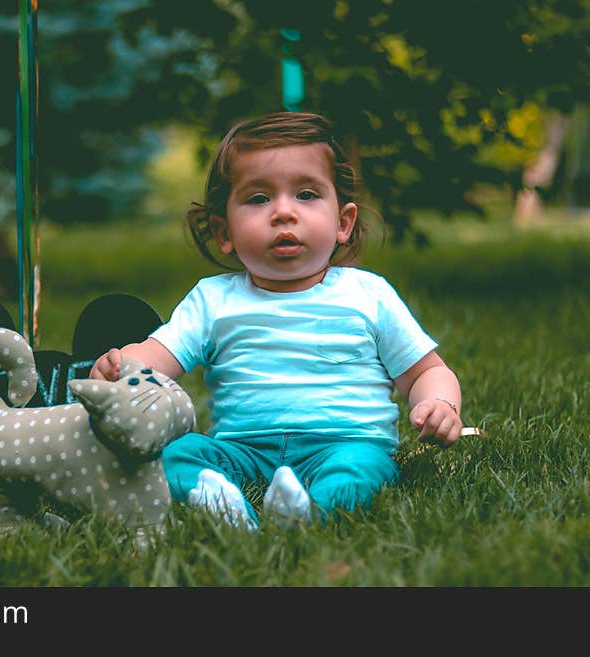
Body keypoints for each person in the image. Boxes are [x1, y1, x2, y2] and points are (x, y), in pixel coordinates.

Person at [90, 112, 463, 528]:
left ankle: (309, 513)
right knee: (178, 454)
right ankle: (221, 502)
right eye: (258, 199)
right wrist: (124, 367)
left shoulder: (367, 294)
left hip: (345, 443)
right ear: (223, 231)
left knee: (359, 470)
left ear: (343, 222)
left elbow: (426, 372)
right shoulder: (213, 299)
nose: (283, 212)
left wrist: (439, 403)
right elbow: (160, 354)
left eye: (305, 194)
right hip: (244, 449)